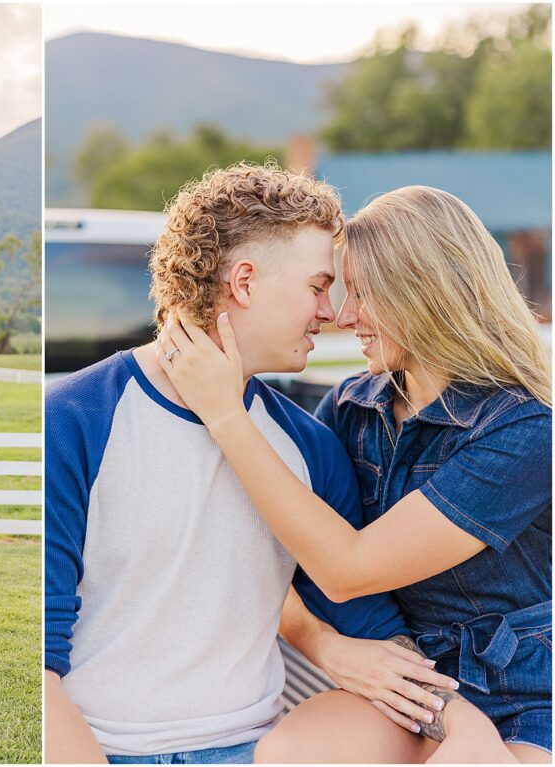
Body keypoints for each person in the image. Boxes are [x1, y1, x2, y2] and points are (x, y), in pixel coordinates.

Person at [45, 165, 506, 764]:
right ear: (244, 282)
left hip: (259, 749)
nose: (332, 312)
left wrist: (466, 728)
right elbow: (40, 656)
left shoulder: (312, 445)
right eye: (318, 286)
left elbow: (371, 628)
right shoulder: (75, 421)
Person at [157, 185, 551, 762]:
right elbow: (279, 565)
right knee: (288, 755)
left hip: (521, 690)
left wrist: (225, 413)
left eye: (363, 295)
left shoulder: (524, 431)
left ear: (426, 294)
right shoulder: (350, 409)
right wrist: (327, 647)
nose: (344, 316)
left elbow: (346, 570)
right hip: (389, 675)